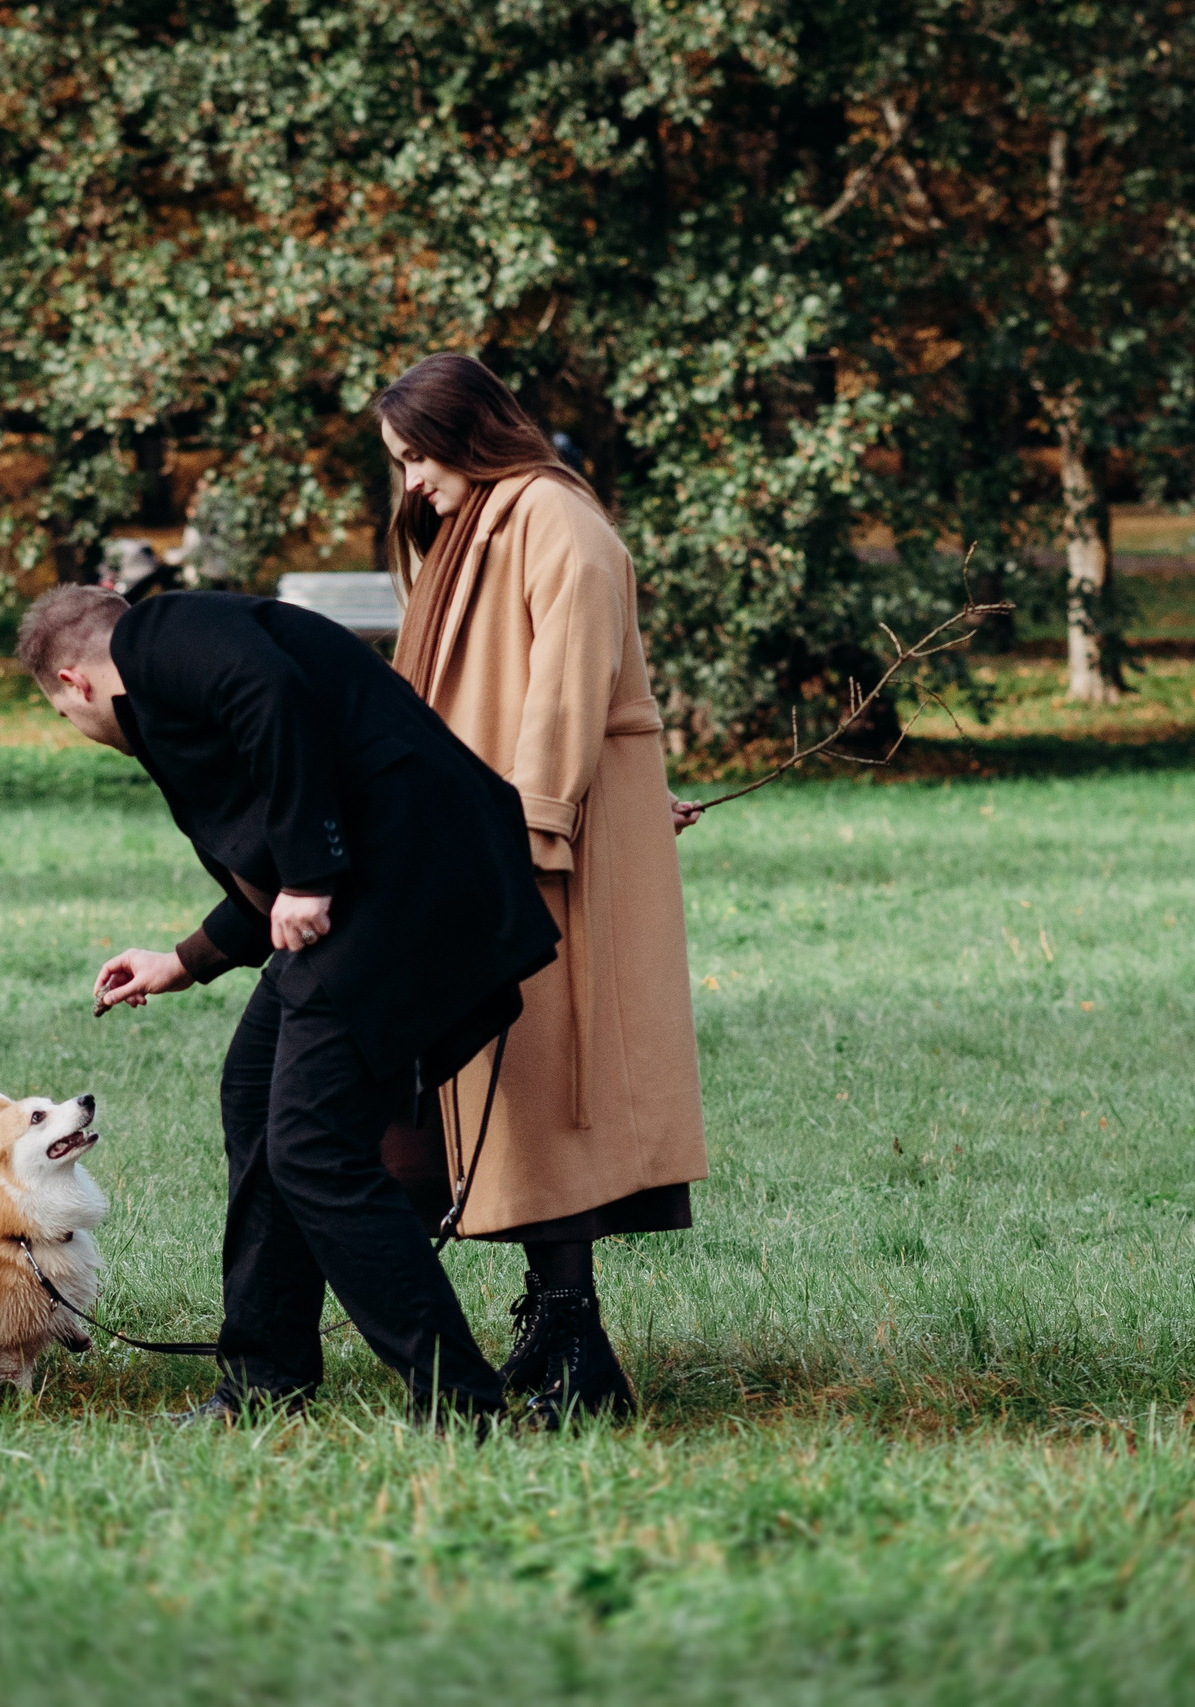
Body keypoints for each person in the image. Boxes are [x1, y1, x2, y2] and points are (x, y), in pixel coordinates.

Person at [17, 582, 559, 1426]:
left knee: (314, 1145)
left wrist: (310, 871)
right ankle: (266, 1381)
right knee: (257, 1093)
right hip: (386, 889)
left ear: (73, 683)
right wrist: (185, 960)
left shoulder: (167, 634)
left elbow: (272, 699)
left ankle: (461, 1404)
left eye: (61, 717)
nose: (78, 732)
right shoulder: (175, 697)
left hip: (414, 890)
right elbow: (273, 854)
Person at [372, 352, 711, 1424]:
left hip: (537, 844)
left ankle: (572, 1342)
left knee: (549, 1077)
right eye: (400, 463)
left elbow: (566, 690)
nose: (412, 481)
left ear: (470, 433)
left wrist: (541, 830)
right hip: (497, 831)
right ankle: (558, 1328)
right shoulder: (484, 524)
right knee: (511, 1083)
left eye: (419, 457)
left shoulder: (556, 521)